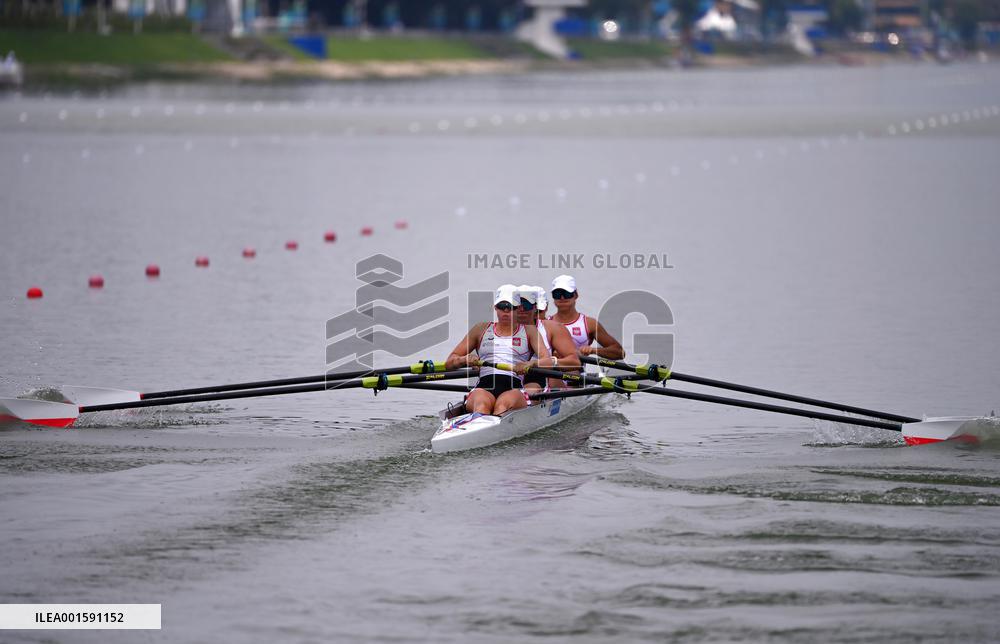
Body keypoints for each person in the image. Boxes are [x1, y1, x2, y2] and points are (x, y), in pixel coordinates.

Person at [445, 284, 550, 415]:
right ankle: (479, 424)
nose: (505, 311)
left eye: (510, 307)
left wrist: (531, 363)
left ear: (519, 309)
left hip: (513, 388)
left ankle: (492, 425)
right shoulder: (480, 329)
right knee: (481, 406)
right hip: (484, 386)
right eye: (502, 306)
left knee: (502, 407)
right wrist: (463, 359)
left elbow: (548, 361)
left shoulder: (530, 331)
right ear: (495, 307)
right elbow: (449, 362)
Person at [515, 285, 581, 392]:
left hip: (539, 381)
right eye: (518, 306)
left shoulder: (553, 328)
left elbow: (574, 362)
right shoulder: (498, 329)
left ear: (536, 307)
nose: (522, 309)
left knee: (553, 378)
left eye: (526, 305)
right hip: (510, 377)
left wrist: (546, 362)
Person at [548, 274, 625, 360]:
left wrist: (593, 350)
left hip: (577, 372)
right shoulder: (544, 323)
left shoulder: (589, 324)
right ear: (553, 297)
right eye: (557, 294)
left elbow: (620, 352)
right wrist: (550, 352)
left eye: (566, 294)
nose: (562, 298)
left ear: (576, 295)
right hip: (547, 372)